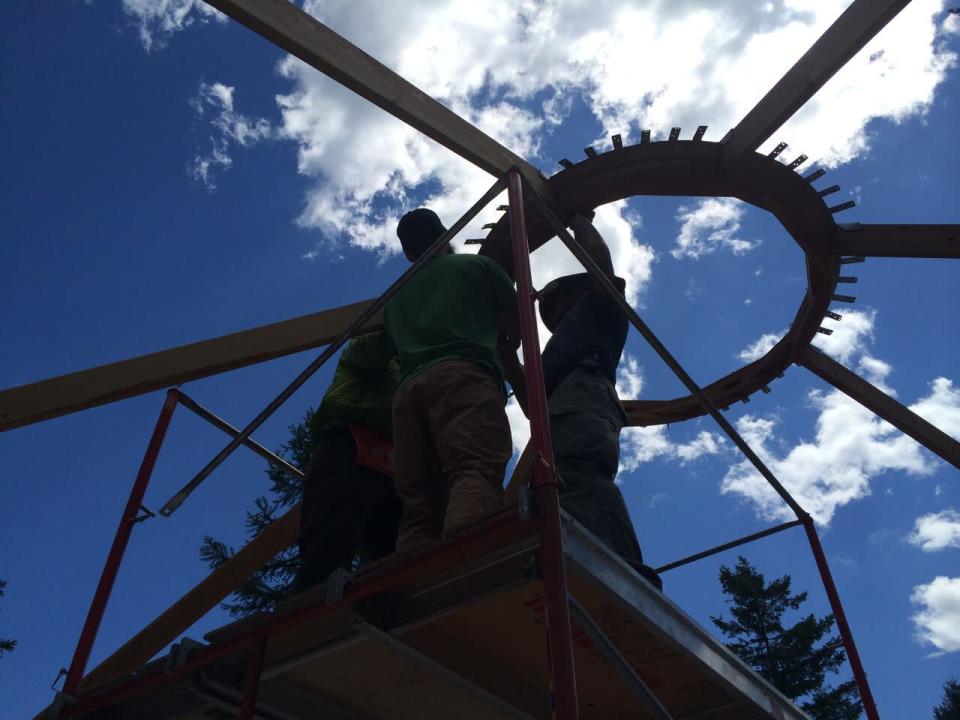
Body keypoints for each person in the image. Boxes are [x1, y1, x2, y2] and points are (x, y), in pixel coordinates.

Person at [538, 212, 662, 590]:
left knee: (580, 470)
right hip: (562, 405)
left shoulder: (601, 309)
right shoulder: (560, 347)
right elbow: (533, 404)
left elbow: (599, 263)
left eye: (559, 302)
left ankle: (621, 567)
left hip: (584, 395)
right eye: (551, 307)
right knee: (554, 483)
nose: (554, 312)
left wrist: (577, 221)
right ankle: (567, 556)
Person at [385, 208, 518, 553]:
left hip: (408, 393)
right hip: (462, 376)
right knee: (474, 469)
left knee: (419, 505)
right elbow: (515, 322)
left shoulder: (394, 300)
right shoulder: (477, 267)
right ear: (445, 236)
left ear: (409, 253)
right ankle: (468, 562)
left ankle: (414, 585)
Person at [290, 330, 402, 594]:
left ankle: (388, 610)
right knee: (329, 542)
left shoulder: (405, 368)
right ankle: (304, 619)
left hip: (391, 462)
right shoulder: (367, 343)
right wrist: (408, 320)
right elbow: (372, 347)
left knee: (395, 551)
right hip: (348, 443)